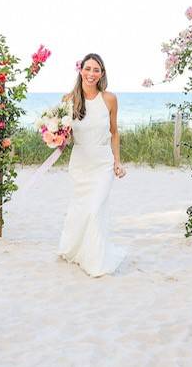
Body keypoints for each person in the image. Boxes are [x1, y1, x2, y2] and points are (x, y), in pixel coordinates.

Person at [58, 53, 126, 277]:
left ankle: (96, 261)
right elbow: (63, 135)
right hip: (80, 162)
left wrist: (117, 162)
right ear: (81, 71)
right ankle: (77, 251)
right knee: (81, 209)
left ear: (102, 74)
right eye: (88, 68)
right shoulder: (69, 100)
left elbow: (114, 132)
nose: (91, 73)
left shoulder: (109, 99)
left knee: (95, 210)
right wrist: (56, 138)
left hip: (103, 163)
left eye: (96, 70)